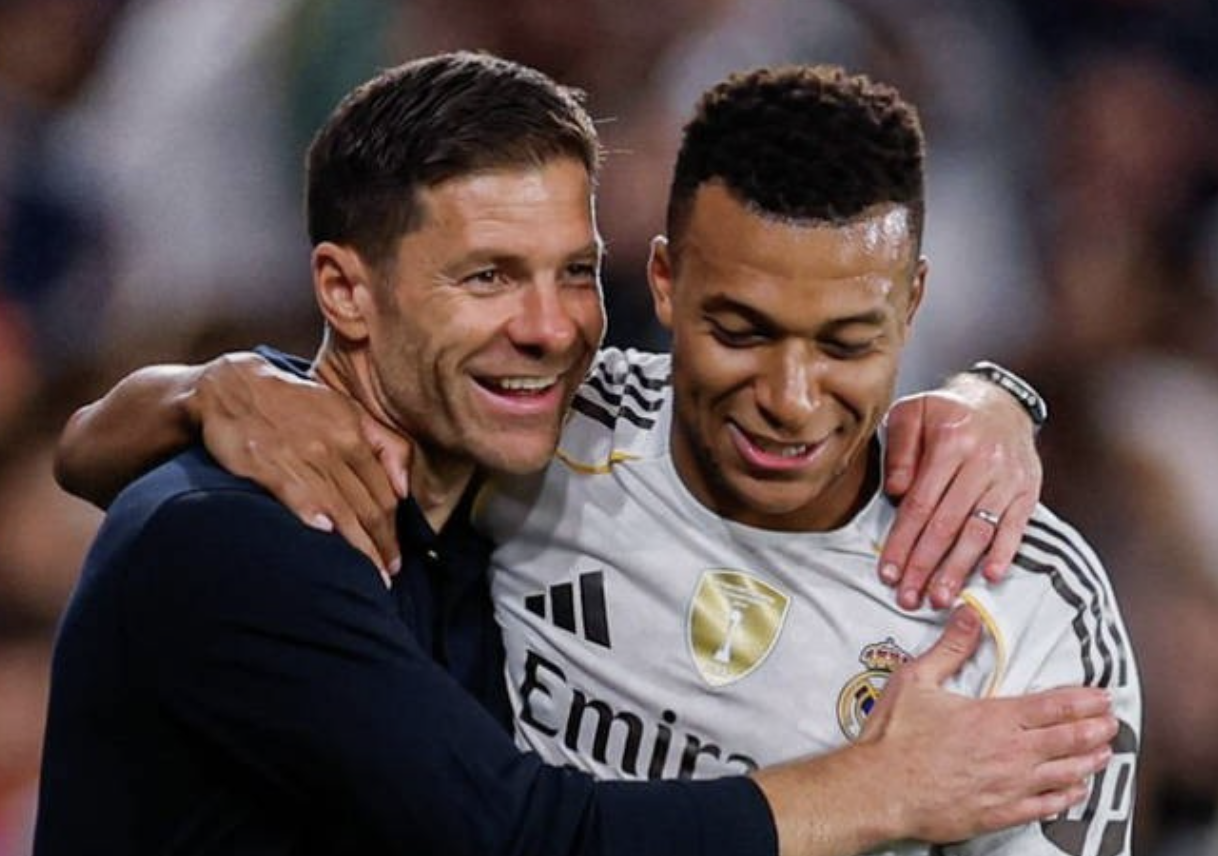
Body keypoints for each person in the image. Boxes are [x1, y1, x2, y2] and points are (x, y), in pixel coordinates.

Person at [39, 52, 1115, 856]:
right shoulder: (246, 537)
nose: (551, 328)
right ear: (345, 291)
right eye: (489, 276)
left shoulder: (473, 492)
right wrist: (883, 786)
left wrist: (996, 397)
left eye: (572, 272)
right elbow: (522, 837)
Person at [479, 64, 1141, 854]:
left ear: (912, 304)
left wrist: (1001, 394)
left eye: (847, 345)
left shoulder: (1026, 595)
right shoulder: (536, 438)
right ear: (665, 281)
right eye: (741, 333)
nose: (790, 400)